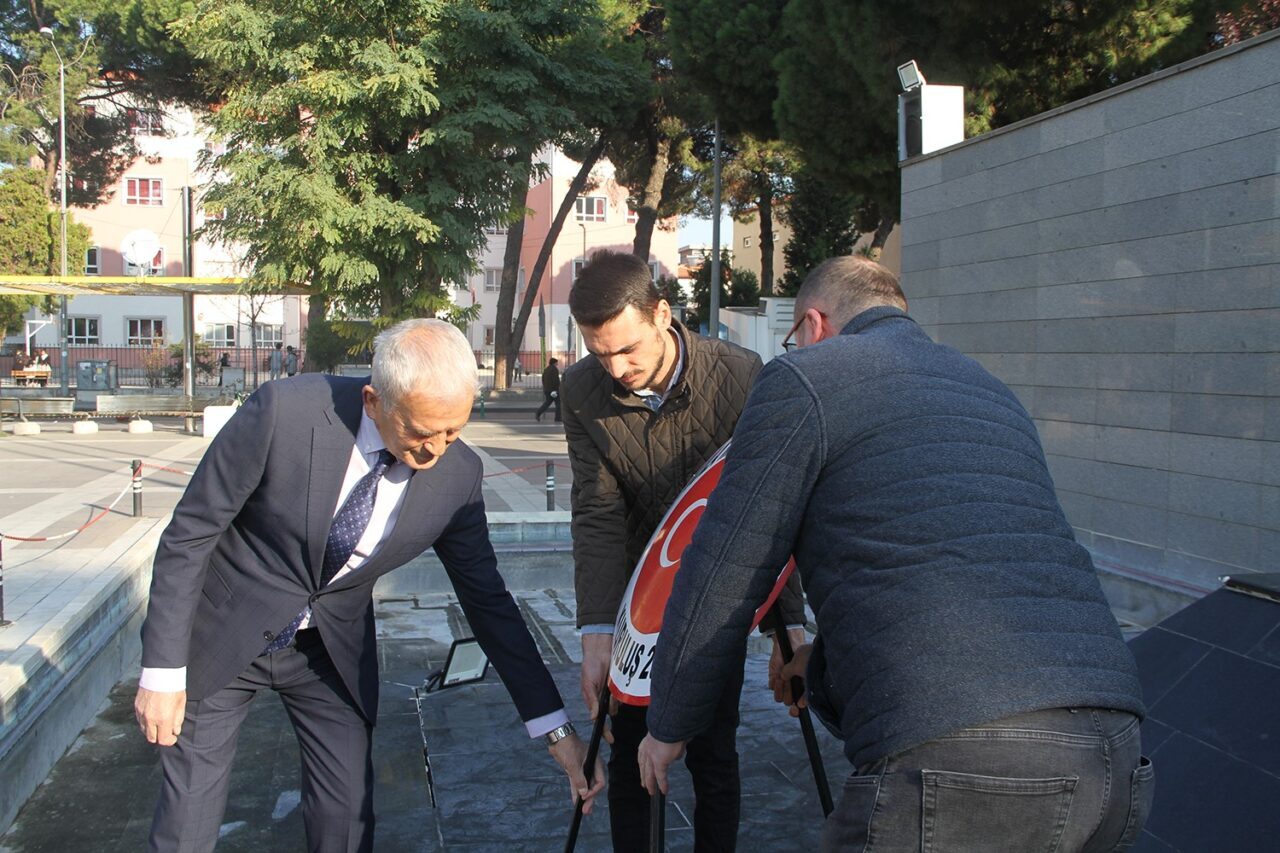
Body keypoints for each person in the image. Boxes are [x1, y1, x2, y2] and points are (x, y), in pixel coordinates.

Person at [638, 256, 1152, 851]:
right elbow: (940, 557)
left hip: (959, 748)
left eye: (793, 340)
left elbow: (725, 568)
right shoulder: (988, 388)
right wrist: (820, 665)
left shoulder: (806, 376)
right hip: (1114, 745)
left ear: (813, 324)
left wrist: (669, 720)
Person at [134, 318, 604, 853]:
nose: (435, 451)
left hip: (329, 654)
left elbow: (490, 604)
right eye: (421, 432)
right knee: (186, 823)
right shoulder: (284, 413)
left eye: (452, 431)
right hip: (225, 630)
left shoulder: (457, 477)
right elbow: (190, 534)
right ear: (374, 401)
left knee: (348, 819)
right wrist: (162, 672)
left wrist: (557, 731)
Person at [562, 250, 805, 852]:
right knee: (628, 755)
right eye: (600, 353)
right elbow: (596, 511)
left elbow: (776, 502)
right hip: (634, 601)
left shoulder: (743, 376)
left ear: (663, 314)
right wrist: (595, 632)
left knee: (713, 747)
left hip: (714, 592)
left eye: (628, 349)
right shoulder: (580, 390)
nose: (616, 368)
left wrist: (789, 626)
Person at [534, 357, 560, 422]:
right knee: (559, 404)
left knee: (547, 403)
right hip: (554, 390)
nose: (557, 364)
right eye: (556, 363)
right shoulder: (554, 369)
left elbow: (543, 379)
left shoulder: (546, 369)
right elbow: (555, 380)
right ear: (554, 363)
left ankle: (538, 412)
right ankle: (558, 418)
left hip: (547, 390)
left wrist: (545, 387)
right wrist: (557, 388)